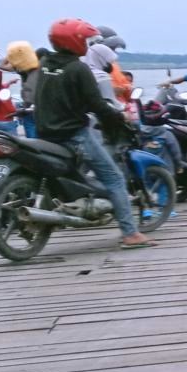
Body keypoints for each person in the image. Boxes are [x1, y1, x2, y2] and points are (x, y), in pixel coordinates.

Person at [36, 18, 153, 249]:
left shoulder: (45, 64)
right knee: (114, 178)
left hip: (45, 133)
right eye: (84, 40)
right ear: (74, 41)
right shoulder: (78, 68)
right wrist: (119, 117)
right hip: (73, 135)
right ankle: (130, 233)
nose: (87, 45)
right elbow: (97, 105)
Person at [0, 41, 41, 138]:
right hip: (36, 106)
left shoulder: (23, 69)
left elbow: (2, 66)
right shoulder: (39, 70)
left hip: (29, 105)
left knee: (31, 135)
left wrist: (11, 55)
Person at [139, 100, 183, 172]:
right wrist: (179, 166)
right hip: (167, 174)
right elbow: (176, 154)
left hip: (148, 174)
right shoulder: (167, 134)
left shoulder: (140, 134)